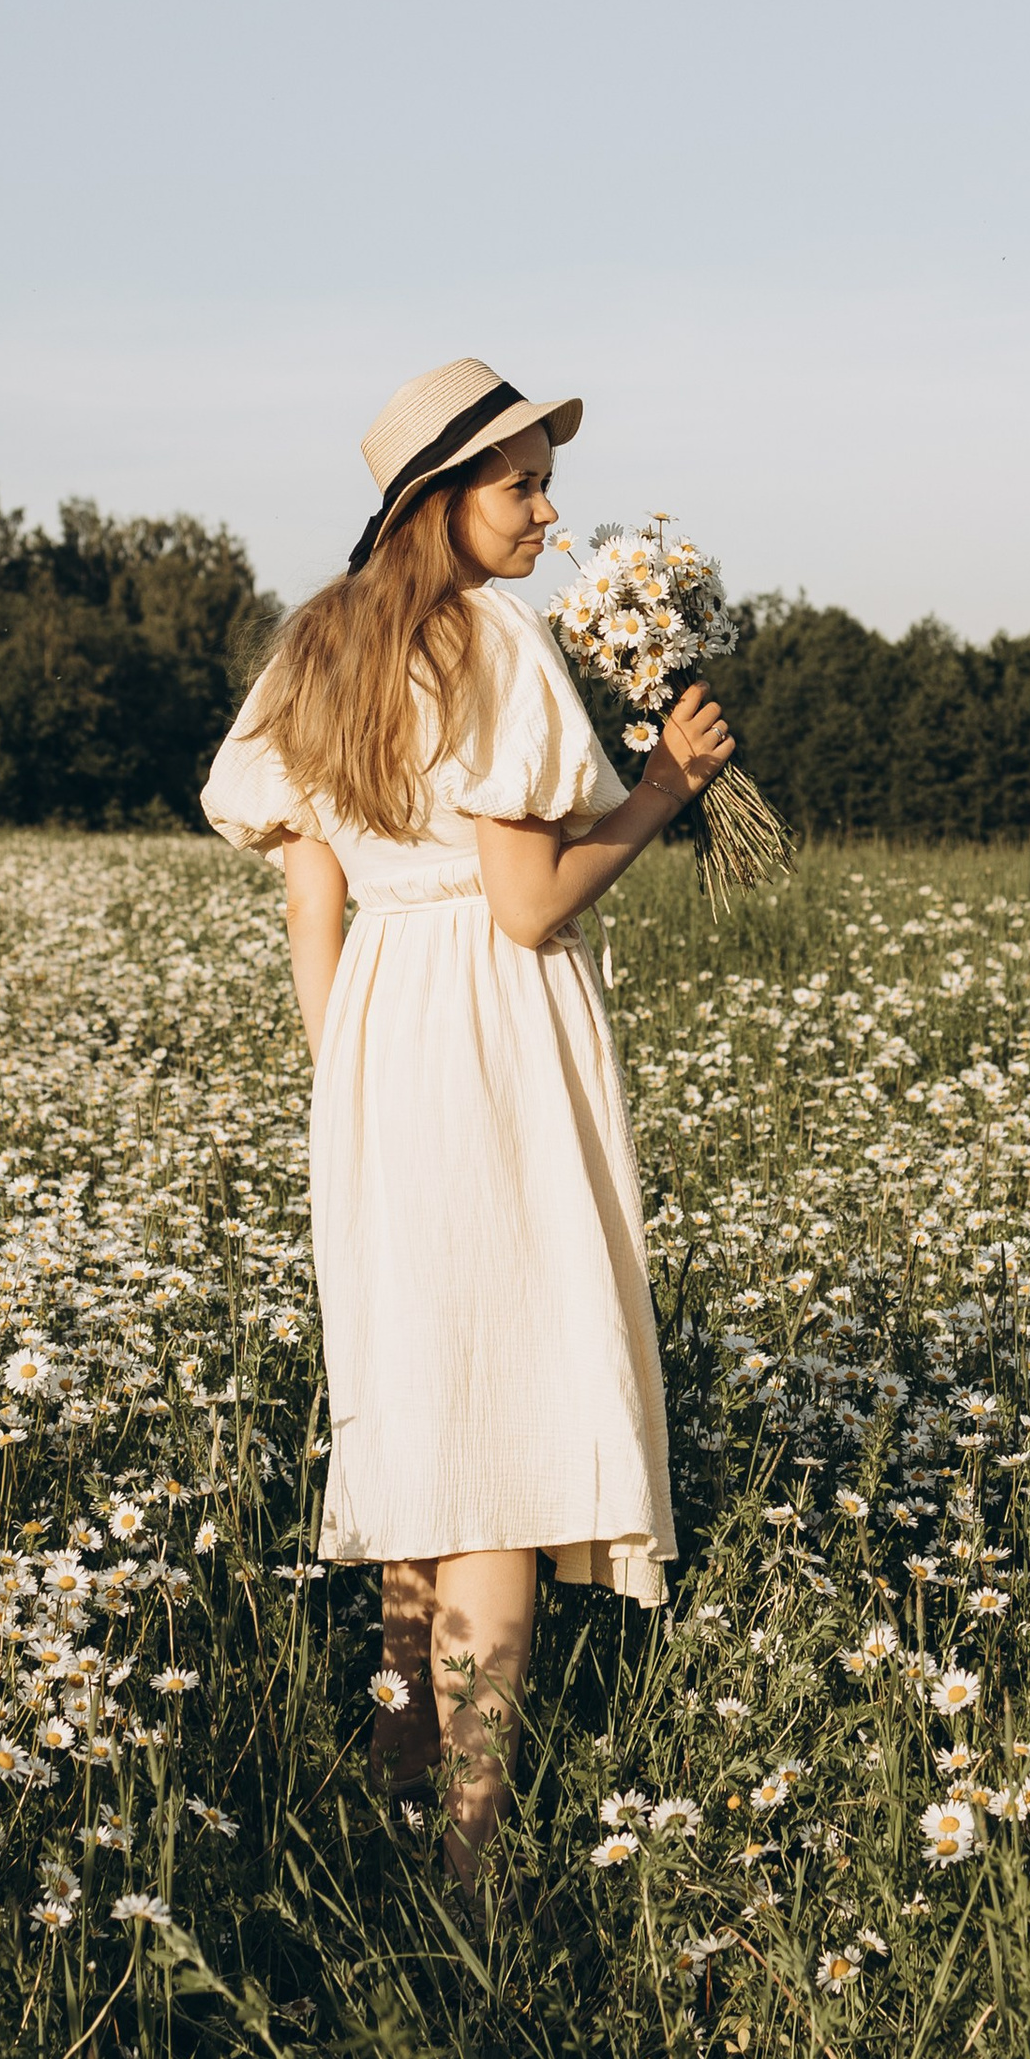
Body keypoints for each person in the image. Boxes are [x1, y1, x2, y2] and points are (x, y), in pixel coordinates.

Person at [201, 356, 736, 1886]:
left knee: (418, 1410)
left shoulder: (318, 644)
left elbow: (312, 887)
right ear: (441, 498)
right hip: (490, 1035)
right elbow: (525, 905)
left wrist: (351, 1075)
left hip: (375, 1039)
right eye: (522, 482)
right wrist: (658, 789)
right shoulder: (491, 641)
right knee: (501, 1428)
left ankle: (391, 1774)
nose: (549, 512)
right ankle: (471, 1854)